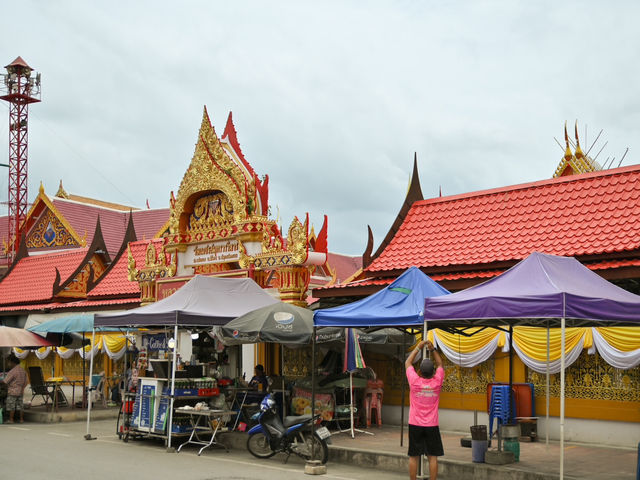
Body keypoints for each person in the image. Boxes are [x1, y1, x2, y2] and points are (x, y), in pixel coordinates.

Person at [405, 339, 445, 480]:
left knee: (414, 456)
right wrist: (432, 349)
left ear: (420, 371)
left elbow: (408, 363)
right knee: (432, 456)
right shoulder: (437, 381)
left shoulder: (414, 381)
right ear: (433, 372)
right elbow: (440, 364)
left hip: (415, 423)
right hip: (431, 425)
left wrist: (418, 347)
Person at [1, 354, 28, 424]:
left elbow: (5, 381)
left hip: (12, 391)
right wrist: (22, 388)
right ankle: (21, 419)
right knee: (20, 406)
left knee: (11, 406)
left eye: (8, 362)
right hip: (21, 391)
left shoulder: (12, 371)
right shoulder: (23, 370)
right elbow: (26, 382)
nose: (8, 364)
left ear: (12, 362)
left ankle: (11, 419)